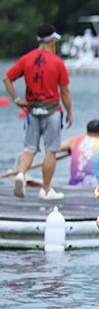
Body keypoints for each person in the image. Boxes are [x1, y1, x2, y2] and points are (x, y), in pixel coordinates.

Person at [3, 23, 73, 200]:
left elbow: (7, 78)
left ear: (38, 39)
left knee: (29, 148)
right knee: (51, 151)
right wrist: (69, 112)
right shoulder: (58, 62)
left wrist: (17, 100)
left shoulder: (26, 59)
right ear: (52, 40)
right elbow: (65, 91)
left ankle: (21, 174)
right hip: (52, 110)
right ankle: (46, 190)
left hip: (31, 110)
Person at [59, 120, 99, 186]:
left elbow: (54, 148)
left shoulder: (75, 140)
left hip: (73, 184)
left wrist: (72, 150)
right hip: (92, 185)